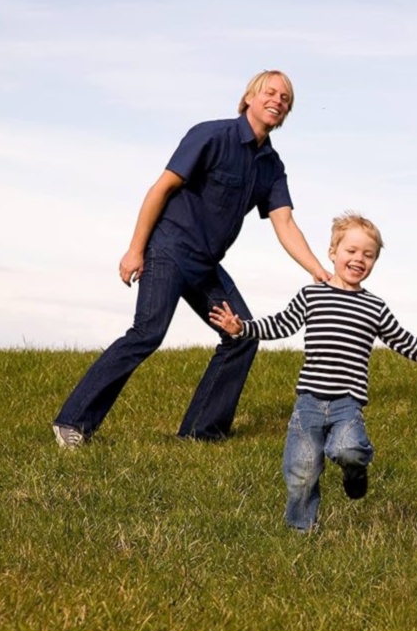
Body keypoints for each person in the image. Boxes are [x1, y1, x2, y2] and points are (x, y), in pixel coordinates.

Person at [52, 70, 333, 448]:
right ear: (249, 97)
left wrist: (319, 271)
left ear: (286, 113)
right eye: (271, 92)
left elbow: (284, 222)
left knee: (241, 335)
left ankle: (200, 434)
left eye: (285, 99)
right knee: (147, 333)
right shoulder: (212, 135)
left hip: (205, 266)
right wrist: (136, 248)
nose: (278, 100)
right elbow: (161, 188)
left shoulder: (271, 166)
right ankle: (73, 422)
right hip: (168, 249)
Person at [209, 211, 417, 532]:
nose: (359, 259)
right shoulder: (312, 295)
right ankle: (301, 530)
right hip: (308, 403)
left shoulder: (374, 307)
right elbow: (280, 324)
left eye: (368, 255)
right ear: (333, 253)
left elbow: (405, 342)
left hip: (347, 403)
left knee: (348, 450)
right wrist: (241, 328)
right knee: (302, 471)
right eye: (351, 251)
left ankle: (356, 472)